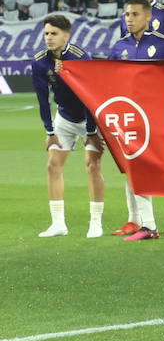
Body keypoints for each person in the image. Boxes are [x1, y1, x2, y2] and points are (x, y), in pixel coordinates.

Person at [108, 0, 164, 237]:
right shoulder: (126, 24)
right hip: (135, 107)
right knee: (134, 163)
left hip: (163, 106)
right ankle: (137, 219)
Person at [33, 14, 104, 239]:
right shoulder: (39, 61)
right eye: (46, 33)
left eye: (54, 33)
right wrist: (49, 131)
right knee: (53, 167)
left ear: (67, 35)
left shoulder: (81, 58)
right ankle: (58, 224)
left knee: (92, 167)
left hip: (88, 119)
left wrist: (92, 132)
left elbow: (91, 98)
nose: (49, 38)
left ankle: (95, 223)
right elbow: (43, 100)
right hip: (63, 119)